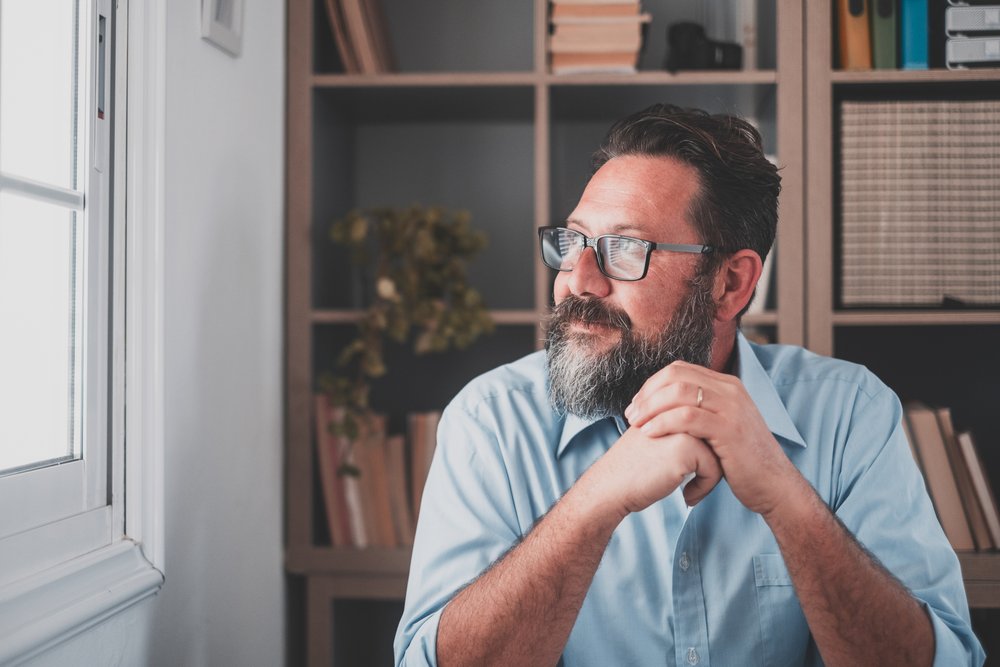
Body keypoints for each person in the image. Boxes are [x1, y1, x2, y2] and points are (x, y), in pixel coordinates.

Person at [393, 104, 984, 666]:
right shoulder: (491, 421)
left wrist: (786, 499)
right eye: (573, 243)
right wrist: (595, 501)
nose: (576, 282)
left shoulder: (850, 413)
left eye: (624, 250)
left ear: (730, 283)